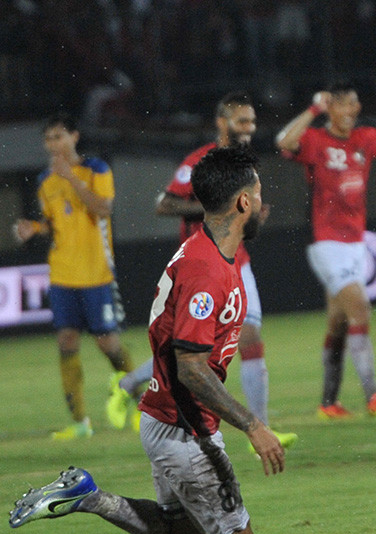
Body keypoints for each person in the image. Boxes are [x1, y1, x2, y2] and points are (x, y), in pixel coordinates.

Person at [9, 146, 287, 534]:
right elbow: (191, 368)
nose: (265, 205)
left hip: (163, 422)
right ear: (244, 201)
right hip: (186, 431)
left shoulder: (204, 253)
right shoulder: (209, 271)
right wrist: (253, 425)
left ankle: (89, 497)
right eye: (261, 195)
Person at [113, 92, 296, 450]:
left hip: (237, 261)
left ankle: (261, 425)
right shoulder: (200, 162)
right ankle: (131, 383)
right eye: (241, 121)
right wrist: (212, 206)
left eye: (252, 121)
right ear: (221, 122)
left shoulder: (244, 165)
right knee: (200, 346)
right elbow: (163, 204)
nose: (249, 128)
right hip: (205, 266)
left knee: (249, 335)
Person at [275, 81, 376, 419]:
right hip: (326, 244)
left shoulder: (365, 138)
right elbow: (284, 141)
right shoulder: (315, 141)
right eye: (345, 105)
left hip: (355, 243)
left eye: (355, 105)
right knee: (360, 309)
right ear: (331, 108)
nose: (353, 111)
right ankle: (373, 396)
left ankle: (328, 403)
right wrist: (312, 109)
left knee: (338, 322)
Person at [13, 112, 139, 440]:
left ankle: (144, 404)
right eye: (49, 139)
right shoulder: (45, 181)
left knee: (108, 344)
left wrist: (72, 178)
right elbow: (54, 224)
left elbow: (103, 208)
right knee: (66, 341)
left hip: (96, 272)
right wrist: (34, 228)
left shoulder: (96, 169)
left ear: (74, 137)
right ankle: (80, 422)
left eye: (59, 136)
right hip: (62, 275)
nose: (54, 144)